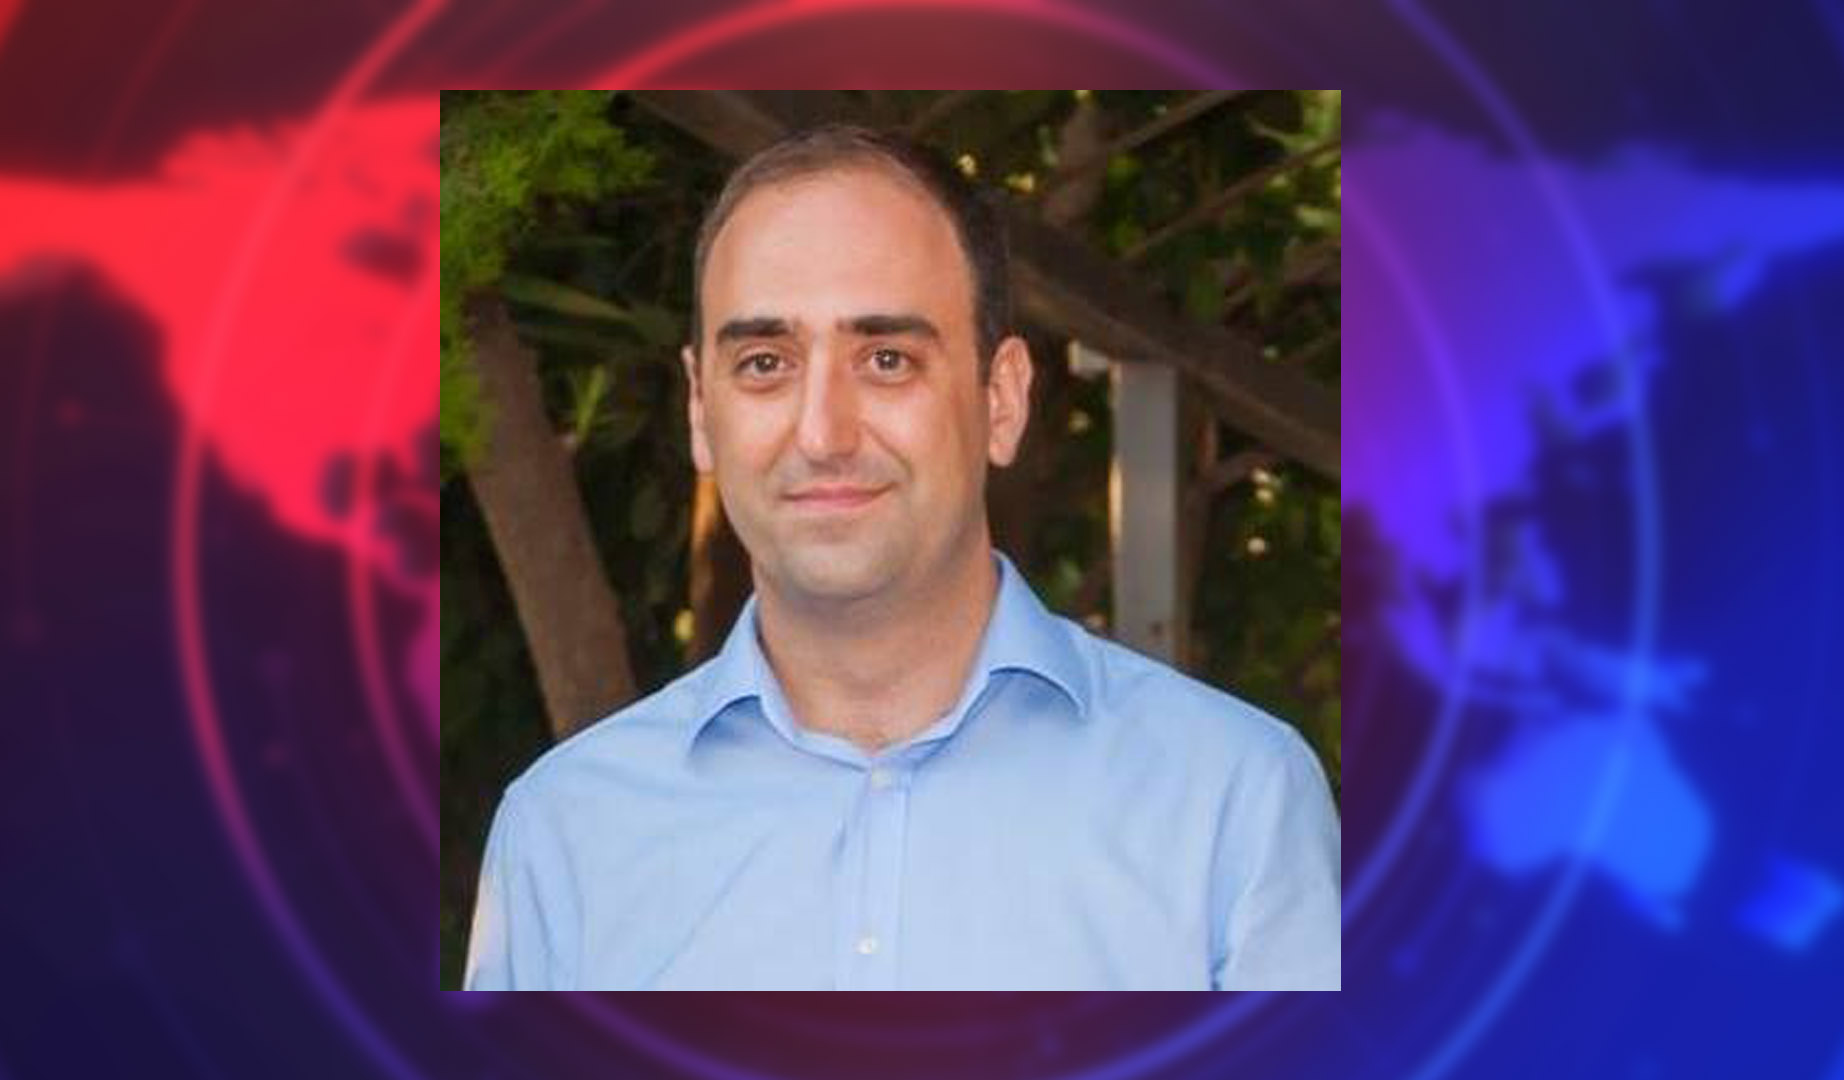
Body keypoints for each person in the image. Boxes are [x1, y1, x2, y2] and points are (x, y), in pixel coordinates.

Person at [463, 123, 1340, 990]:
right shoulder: (566, 837)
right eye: (765, 362)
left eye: (886, 359)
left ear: (1002, 400)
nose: (822, 434)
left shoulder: (1234, 808)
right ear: (700, 408)